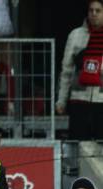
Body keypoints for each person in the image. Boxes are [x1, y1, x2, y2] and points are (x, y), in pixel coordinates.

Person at [56, 0, 103, 140]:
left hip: (101, 102)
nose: (93, 14)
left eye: (98, 11)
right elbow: (66, 71)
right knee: (79, 147)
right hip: (79, 101)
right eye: (91, 10)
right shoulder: (75, 35)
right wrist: (61, 101)